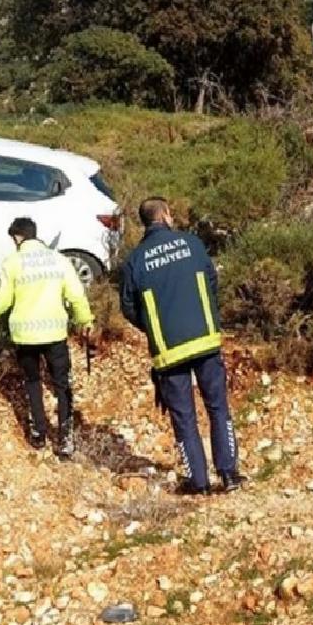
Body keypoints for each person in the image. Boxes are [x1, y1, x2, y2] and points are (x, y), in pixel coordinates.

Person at [120, 198, 244, 496]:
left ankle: (198, 483)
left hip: (168, 350)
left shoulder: (136, 261)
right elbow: (212, 282)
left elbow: (127, 307)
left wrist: (152, 325)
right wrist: (206, 317)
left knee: (184, 418)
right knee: (218, 409)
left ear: (145, 222)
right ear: (165, 215)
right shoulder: (192, 244)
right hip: (205, 341)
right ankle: (229, 475)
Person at [0, 217, 94, 458]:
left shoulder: (13, 262)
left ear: (17, 237)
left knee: (32, 382)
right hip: (55, 334)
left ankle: (38, 434)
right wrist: (85, 321)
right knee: (62, 385)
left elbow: (0, 301)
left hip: (25, 336)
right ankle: (65, 439)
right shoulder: (59, 260)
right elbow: (76, 295)